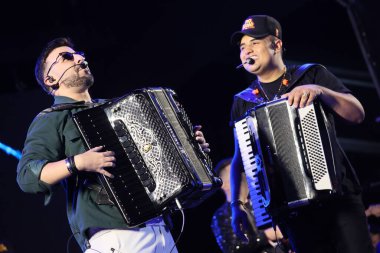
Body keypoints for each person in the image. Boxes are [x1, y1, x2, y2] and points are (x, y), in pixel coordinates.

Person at [16, 37, 211, 253]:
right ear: (50, 79)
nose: (79, 58)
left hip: (161, 231)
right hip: (115, 237)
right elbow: (27, 176)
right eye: (66, 57)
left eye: (79, 53)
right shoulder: (51, 119)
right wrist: (77, 162)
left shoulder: (115, 109)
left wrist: (188, 149)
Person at [228, 15, 373, 253]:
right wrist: (236, 206)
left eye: (254, 43)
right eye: (242, 47)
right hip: (290, 208)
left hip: (339, 197)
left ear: (276, 45)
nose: (246, 51)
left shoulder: (310, 75)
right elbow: (239, 160)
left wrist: (320, 90)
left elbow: (357, 114)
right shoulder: (243, 101)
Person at [210, 158, 289, 253]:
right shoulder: (220, 215)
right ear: (224, 184)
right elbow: (233, 249)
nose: (243, 177)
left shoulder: (259, 200)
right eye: (235, 175)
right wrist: (265, 236)